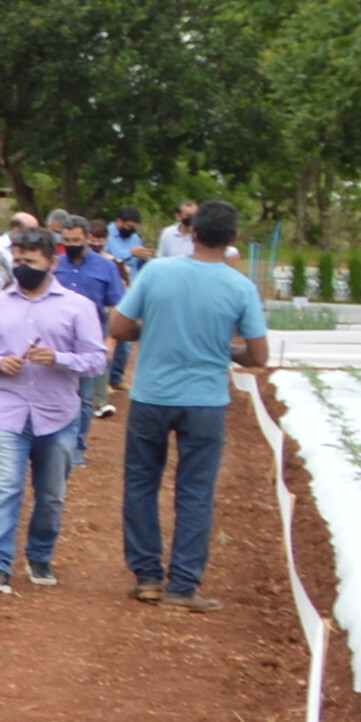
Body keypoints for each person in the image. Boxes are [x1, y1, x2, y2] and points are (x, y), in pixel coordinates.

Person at [112, 197, 271, 608]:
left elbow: (119, 325)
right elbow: (258, 356)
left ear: (192, 232)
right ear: (232, 240)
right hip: (204, 400)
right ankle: (183, 586)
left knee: (142, 483)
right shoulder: (240, 287)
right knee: (196, 491)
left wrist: (153, 331)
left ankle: (147, 576)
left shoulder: (158, 272)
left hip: (151, 394)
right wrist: (223, 351)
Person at [0, 225, 106, 596]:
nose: (23, 267)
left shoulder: (78, 307)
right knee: (5, 488)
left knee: (51, 493)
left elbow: (96, 361)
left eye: (31, 261)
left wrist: (59, 359)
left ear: (51, 262)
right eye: (18, 260)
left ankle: (40, 554)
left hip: (57, 415)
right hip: (5, 413)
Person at [50, 211, 127, 420]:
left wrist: (110, 341)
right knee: (54, 393)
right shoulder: (55, 264)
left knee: (84, 397)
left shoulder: (107, 267)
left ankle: (78, 444)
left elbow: (115, 306)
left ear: (87, 238)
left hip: (89, 338)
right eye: (66, 240)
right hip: (56, 337)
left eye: (76, 240)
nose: (71, 244)